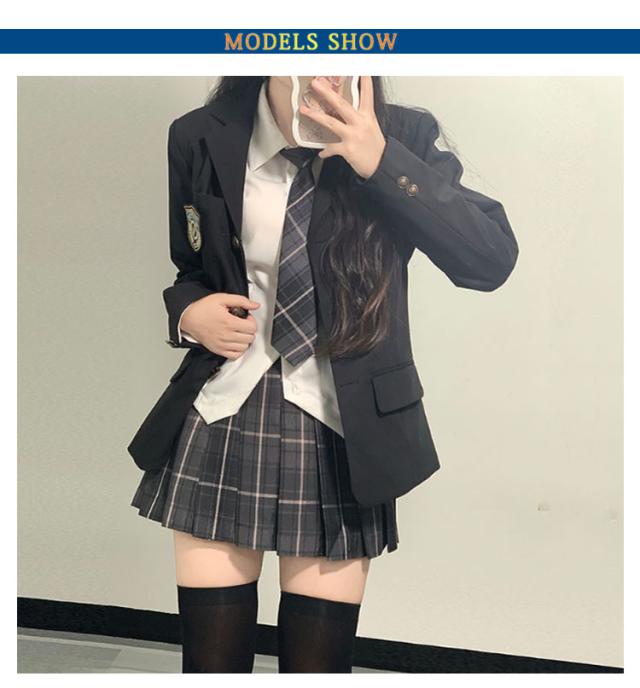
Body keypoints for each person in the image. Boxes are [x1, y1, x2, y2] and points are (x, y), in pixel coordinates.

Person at [129, 75, 519, 673]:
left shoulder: (401, 134)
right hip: (226, 408)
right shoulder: (201, 134)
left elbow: (489, 260)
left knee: (317, 667)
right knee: (210, 664)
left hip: (343, 427)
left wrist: (380, 159)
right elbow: (190, 268)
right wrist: (188, 312)